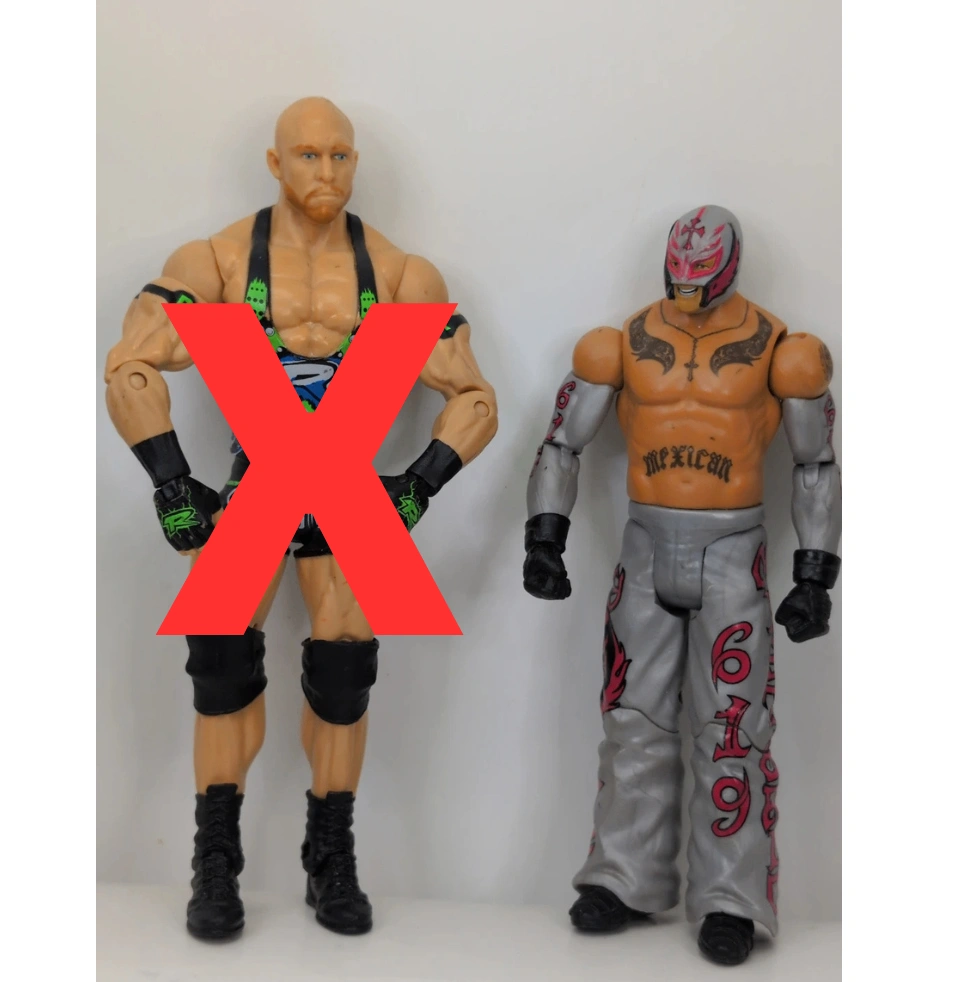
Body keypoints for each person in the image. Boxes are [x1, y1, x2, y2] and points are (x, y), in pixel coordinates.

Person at [104, 96, 498, 940]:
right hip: (258, 484)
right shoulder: (218, 258)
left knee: (345, 674)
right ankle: (215, 863)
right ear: (276, 163)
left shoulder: (399, 273)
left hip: (347, 493)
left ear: (356, 162)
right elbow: (130, 366)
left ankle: (332, 857)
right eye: (309, 155)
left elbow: (474, 398)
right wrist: (171, 484)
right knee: (220, 670)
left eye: (340, 156)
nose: (327, 171)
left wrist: (417, 486)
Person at [522, 205, 840, 966]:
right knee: (631, 716)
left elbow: (817, 464)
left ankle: (731, 898)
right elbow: (562, 442)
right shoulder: (618, 344)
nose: (689, 285)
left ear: (730, 268)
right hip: (644, 542)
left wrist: (815, 573)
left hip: (733, 547)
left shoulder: (784, 351)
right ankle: (622, 877)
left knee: (734, 726)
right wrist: (545, 537)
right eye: (680, 272)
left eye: (702, 273)